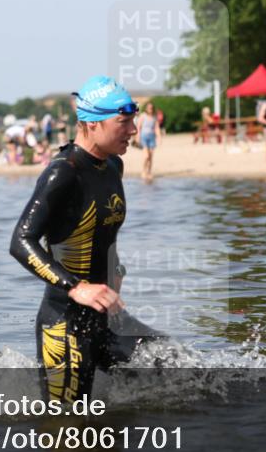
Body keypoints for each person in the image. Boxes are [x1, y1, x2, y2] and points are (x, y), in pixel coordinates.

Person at [9, 76, 157, 403]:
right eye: (123, 122)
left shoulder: (112, 166)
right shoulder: (64, 171)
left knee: (173, 366)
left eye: (133, 120)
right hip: (65, 325)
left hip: (106, 318)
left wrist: (115, 270)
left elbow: (100, 230)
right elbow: (21, 241)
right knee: (69, 432)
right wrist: (77, 286)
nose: (133, 129)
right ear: (90, 124)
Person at [137, 101, 162, 181]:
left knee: (151, 157)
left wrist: (159, 137)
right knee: (146, 156)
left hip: (152, 137)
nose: (150, 109)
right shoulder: (142, 116)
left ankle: (149, 172)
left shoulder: (154, 117)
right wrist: (137, 137)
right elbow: (139, 127)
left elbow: (156, 128)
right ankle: (143, 171)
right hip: (143, 137)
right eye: (149, 107)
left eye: (151, 108)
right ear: (146, 108)